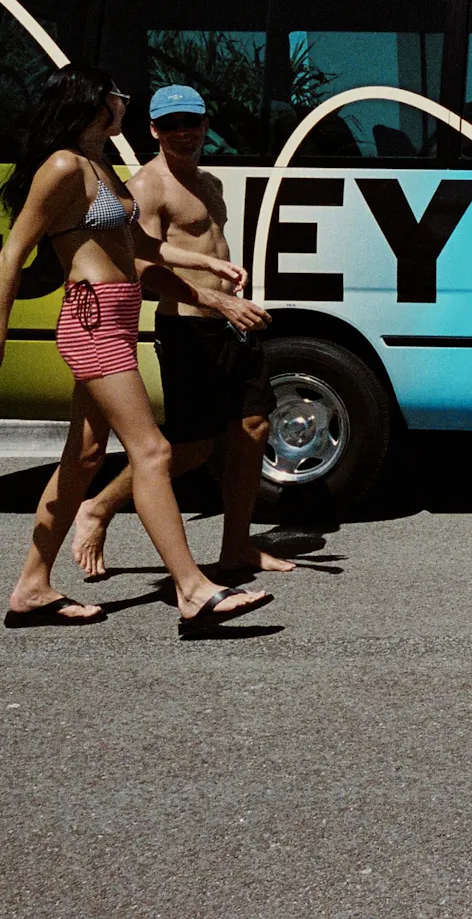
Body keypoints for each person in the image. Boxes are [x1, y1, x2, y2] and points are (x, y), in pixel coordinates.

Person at [0, 65, 272, 634]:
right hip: (92, 320)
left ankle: (30, 587)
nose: (123, 99)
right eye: (116, 93)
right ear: (96, 103)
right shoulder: (62, 166)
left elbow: (143, 248)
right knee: (154, 452)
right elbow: (12, 253)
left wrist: (206, 269)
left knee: (84, 458)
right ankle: (193, 590)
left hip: (119, 317)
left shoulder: (101, 166)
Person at [70, 85, 294, 582]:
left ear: (205, 124)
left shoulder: (209, 181)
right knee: (191, 449)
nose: (182, 132)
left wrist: (230, 294)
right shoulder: (147, 187)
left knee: (252, 428)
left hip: (232, 322)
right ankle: (99, 508)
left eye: (190, 122)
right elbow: (143, 266)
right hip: (189, 328)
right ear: (152, 130)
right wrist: (216, 299)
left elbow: (206, 246)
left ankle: (236, 549)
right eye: (169, 125)